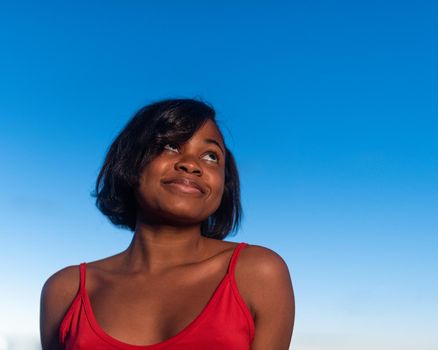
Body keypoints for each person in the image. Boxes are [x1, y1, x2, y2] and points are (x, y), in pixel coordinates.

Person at [40, 99, 295, 350]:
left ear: (223, 184)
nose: (191, 164)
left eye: (210, 156)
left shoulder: (257, 273)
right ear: (131, 162)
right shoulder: (66, 290)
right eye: (171, 146)